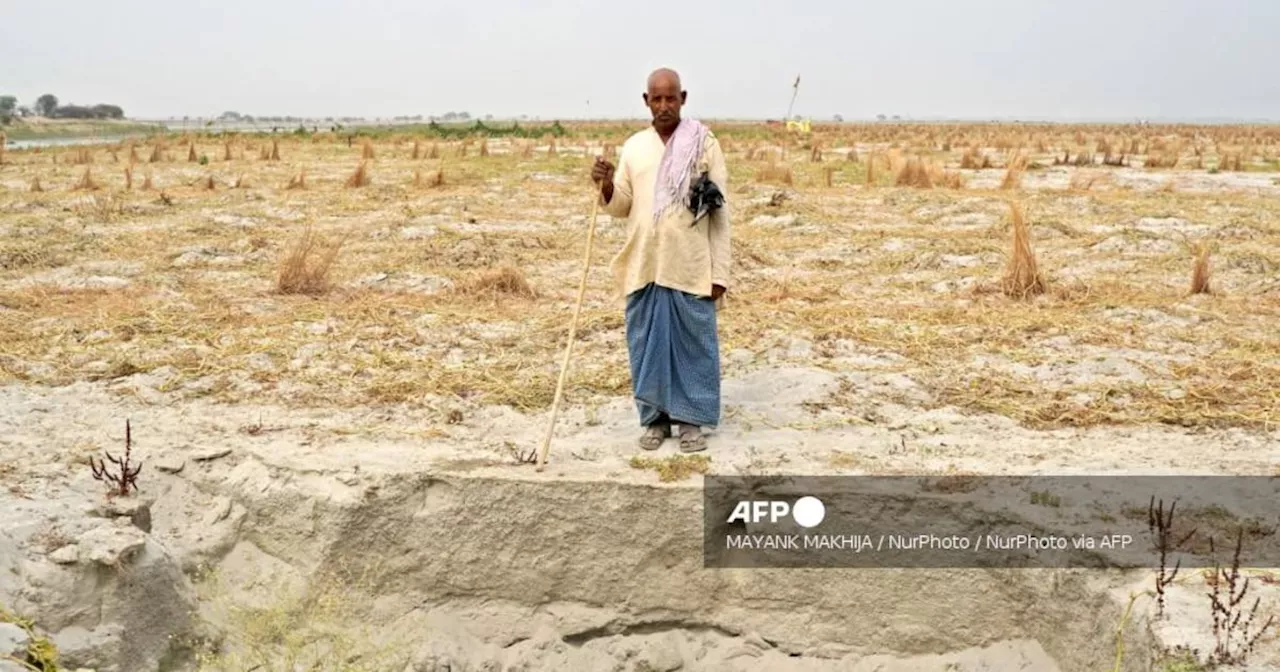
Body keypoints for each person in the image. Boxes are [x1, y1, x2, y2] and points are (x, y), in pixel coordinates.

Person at [590, 67, 731, 453]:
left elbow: (720, 213)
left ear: (683, 99)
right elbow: (621, 206)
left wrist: (721, 272)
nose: (664, 105)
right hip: (645, 264)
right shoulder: (635, 147)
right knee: (645, 345)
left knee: (694, 346)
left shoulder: (705, 144)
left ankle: (690, 422)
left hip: (689, 263)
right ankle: (655, 420)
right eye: (657, 98)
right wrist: (604, 185)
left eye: (671, 98)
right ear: (646, 101)